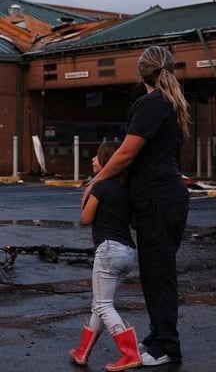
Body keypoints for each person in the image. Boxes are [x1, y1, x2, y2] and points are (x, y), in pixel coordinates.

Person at [81, 45, 192, 367]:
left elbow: (127, 153)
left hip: (160, 200)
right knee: (156, 273)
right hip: (162, 198)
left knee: (159, 275)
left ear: (142, 72)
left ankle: (167, 346)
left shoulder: (152, 103)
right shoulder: (167, 102)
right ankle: (159, 337)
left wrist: (95, 181)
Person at [69, 141, 141, 371]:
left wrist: (88, 197)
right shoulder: (127, 189)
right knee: (98, 304)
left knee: (103, 305)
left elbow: (86, 219)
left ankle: (129, 354)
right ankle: (82, 352)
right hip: (127, 252)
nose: (92, 160)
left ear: (108, 162)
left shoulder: (101, 187)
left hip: (108, 250)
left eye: (97, 157)